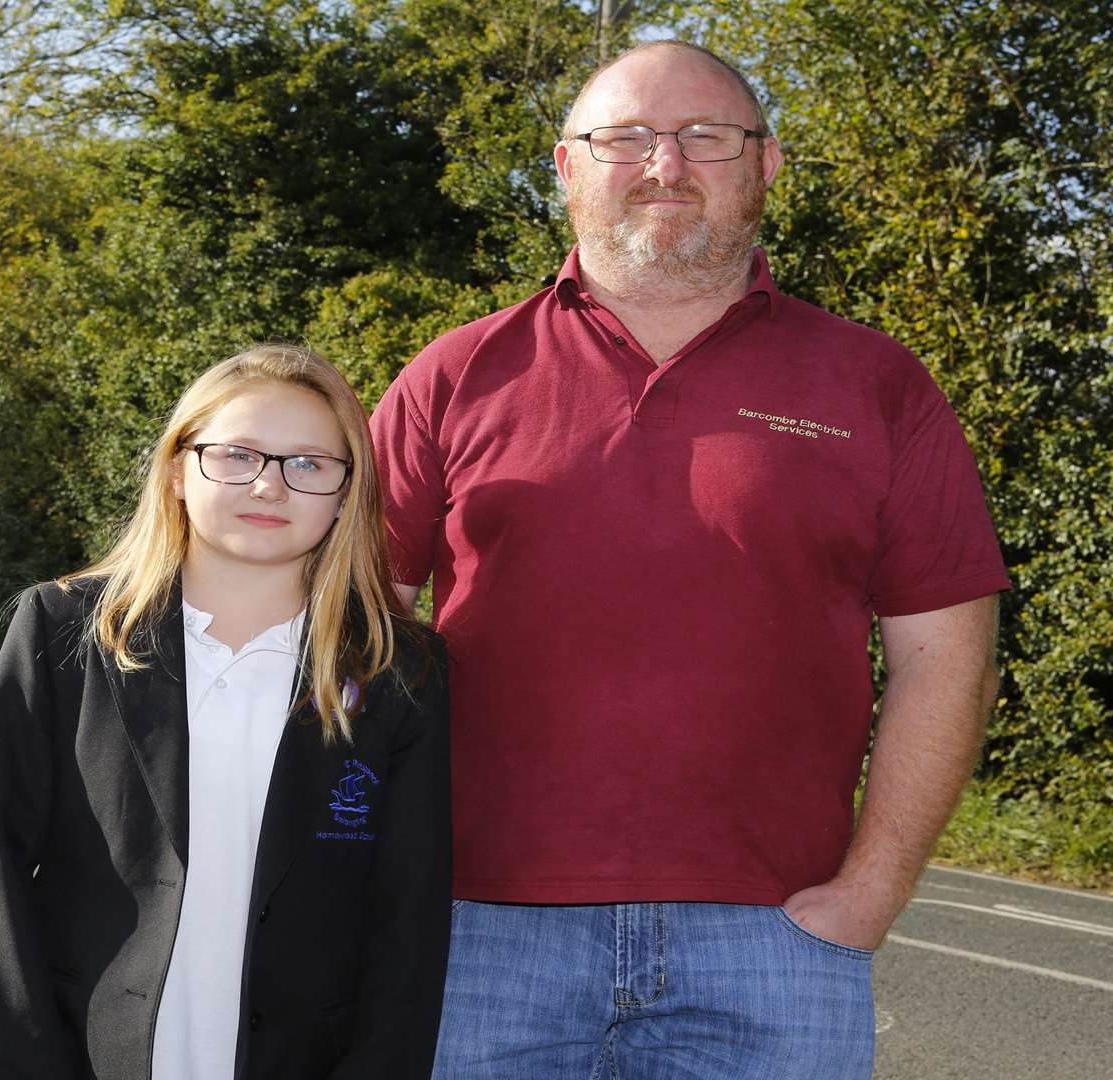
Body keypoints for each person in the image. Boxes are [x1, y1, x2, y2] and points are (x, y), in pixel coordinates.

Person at [368, 40, 1010, 1080]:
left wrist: (869, 896)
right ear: (568, 168)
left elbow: (948, 659)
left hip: (776, 945)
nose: (665, 163)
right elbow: (352, 637)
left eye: (708, 137)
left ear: (767, 166)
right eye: (624, 137)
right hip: (476, 938)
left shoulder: (879, 384)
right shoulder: (454, 374)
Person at [0, 344, 452, 1079]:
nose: (270, 487)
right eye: (238, 454)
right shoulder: (64, 630)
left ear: (348, 492)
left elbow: (408, 927)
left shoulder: (400, 671)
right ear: (179, 470)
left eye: (308, 463)